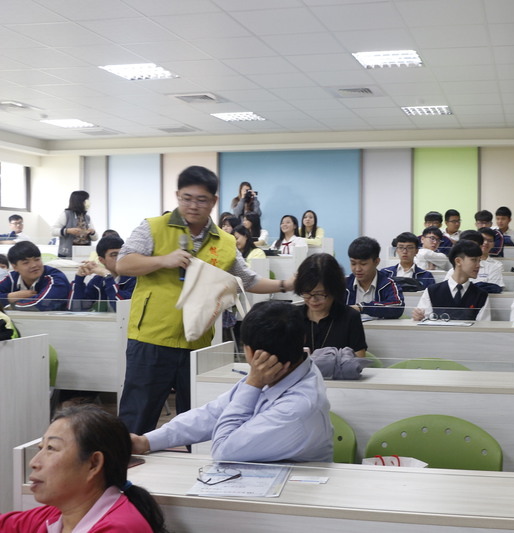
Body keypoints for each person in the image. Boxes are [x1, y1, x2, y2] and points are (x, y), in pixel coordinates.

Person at [115, 165, 292, 435]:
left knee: (196, 422)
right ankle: (124, 461)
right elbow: (123, 263)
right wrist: (163, 260)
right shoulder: (153, 227)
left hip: (197, 343)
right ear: (177, 196)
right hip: (151, 338)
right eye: (186, 198)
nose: (193, 206)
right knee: (136, 419)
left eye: (201, 200)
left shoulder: (225, 241)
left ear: (214, 201)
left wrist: (285, 284)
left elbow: (246, 279)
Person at [131, 301, 334, 463]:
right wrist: (147, 441)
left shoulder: (296, 406)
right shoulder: (279, 370)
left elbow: (223, 450)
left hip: (292, 492)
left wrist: (253, 384)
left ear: (252, 353)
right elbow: (213, 413)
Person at [0, 404, 167, 532]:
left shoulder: (118, 528)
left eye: (51, 448)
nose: (34, 462)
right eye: (40, 448)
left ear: (94, 464)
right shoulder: (56, 515)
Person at [296, 253, 367, 357]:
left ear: (334, 290)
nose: (313, 300)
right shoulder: (294, 317)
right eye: (307, 293)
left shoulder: (350, 317)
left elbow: (359, 358)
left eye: (320, 294)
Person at [413, 240, 490, 321]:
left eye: (479, 261)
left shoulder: (481, 295)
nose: (478, 265)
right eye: (474, 260)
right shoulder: (432, 291)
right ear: (458, 261)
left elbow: (483, 326)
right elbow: (422, 321)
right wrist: (419, 317)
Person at [70, 235, 136, 311]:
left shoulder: (134, 279)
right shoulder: (97, 282)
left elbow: (122, 309)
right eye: (114, 255)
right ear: (101, 260)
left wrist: (108, 276)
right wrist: (79, 279)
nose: (120, 258)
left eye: (122, 254)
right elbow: (75, 309)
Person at [0, 241, 70, 311]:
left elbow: (43, 304)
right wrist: (11, 296)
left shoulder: (56, 278)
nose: (34, 265)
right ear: (15, 267)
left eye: (37, 260)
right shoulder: (12, 278)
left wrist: (12, 305)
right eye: (26, 263)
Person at [345, 236, 404, 319]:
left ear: (376, 262)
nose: (357, 269)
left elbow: (397, 307)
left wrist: (362, 307)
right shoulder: (343, 284)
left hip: (379, 327)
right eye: (353, 263)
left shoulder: (388, 284)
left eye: (363, 264)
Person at [446, 227, 505, 293]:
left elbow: (494, 290)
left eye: (473, 246)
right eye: (466, 246)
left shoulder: (493, 268)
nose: (470, 249)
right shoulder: (452, 272)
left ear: (480, 247)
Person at [52, 191, 98, 258]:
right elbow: (53, 231)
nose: (88, 202)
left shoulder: (87, 217)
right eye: (86, 200)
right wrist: (68, 230)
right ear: (79, 201)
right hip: (67, 254)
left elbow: (95, 238)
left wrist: (92, 232)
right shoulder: (66, 214)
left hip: (84, 254)